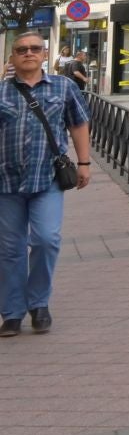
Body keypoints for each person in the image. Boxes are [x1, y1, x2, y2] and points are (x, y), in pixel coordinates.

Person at [0, 30, 93, 337]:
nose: (29, 53)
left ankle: (39, 304)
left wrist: (84, 163)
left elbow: (79, 124)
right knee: (10, 249)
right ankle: (12, 313)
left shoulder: (64, 87)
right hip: (6, 181)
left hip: (47, 179)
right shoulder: (1, 92)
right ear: (12, 57)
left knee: (45, 240)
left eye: (35, 48)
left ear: (44, 54)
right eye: (21, 49)